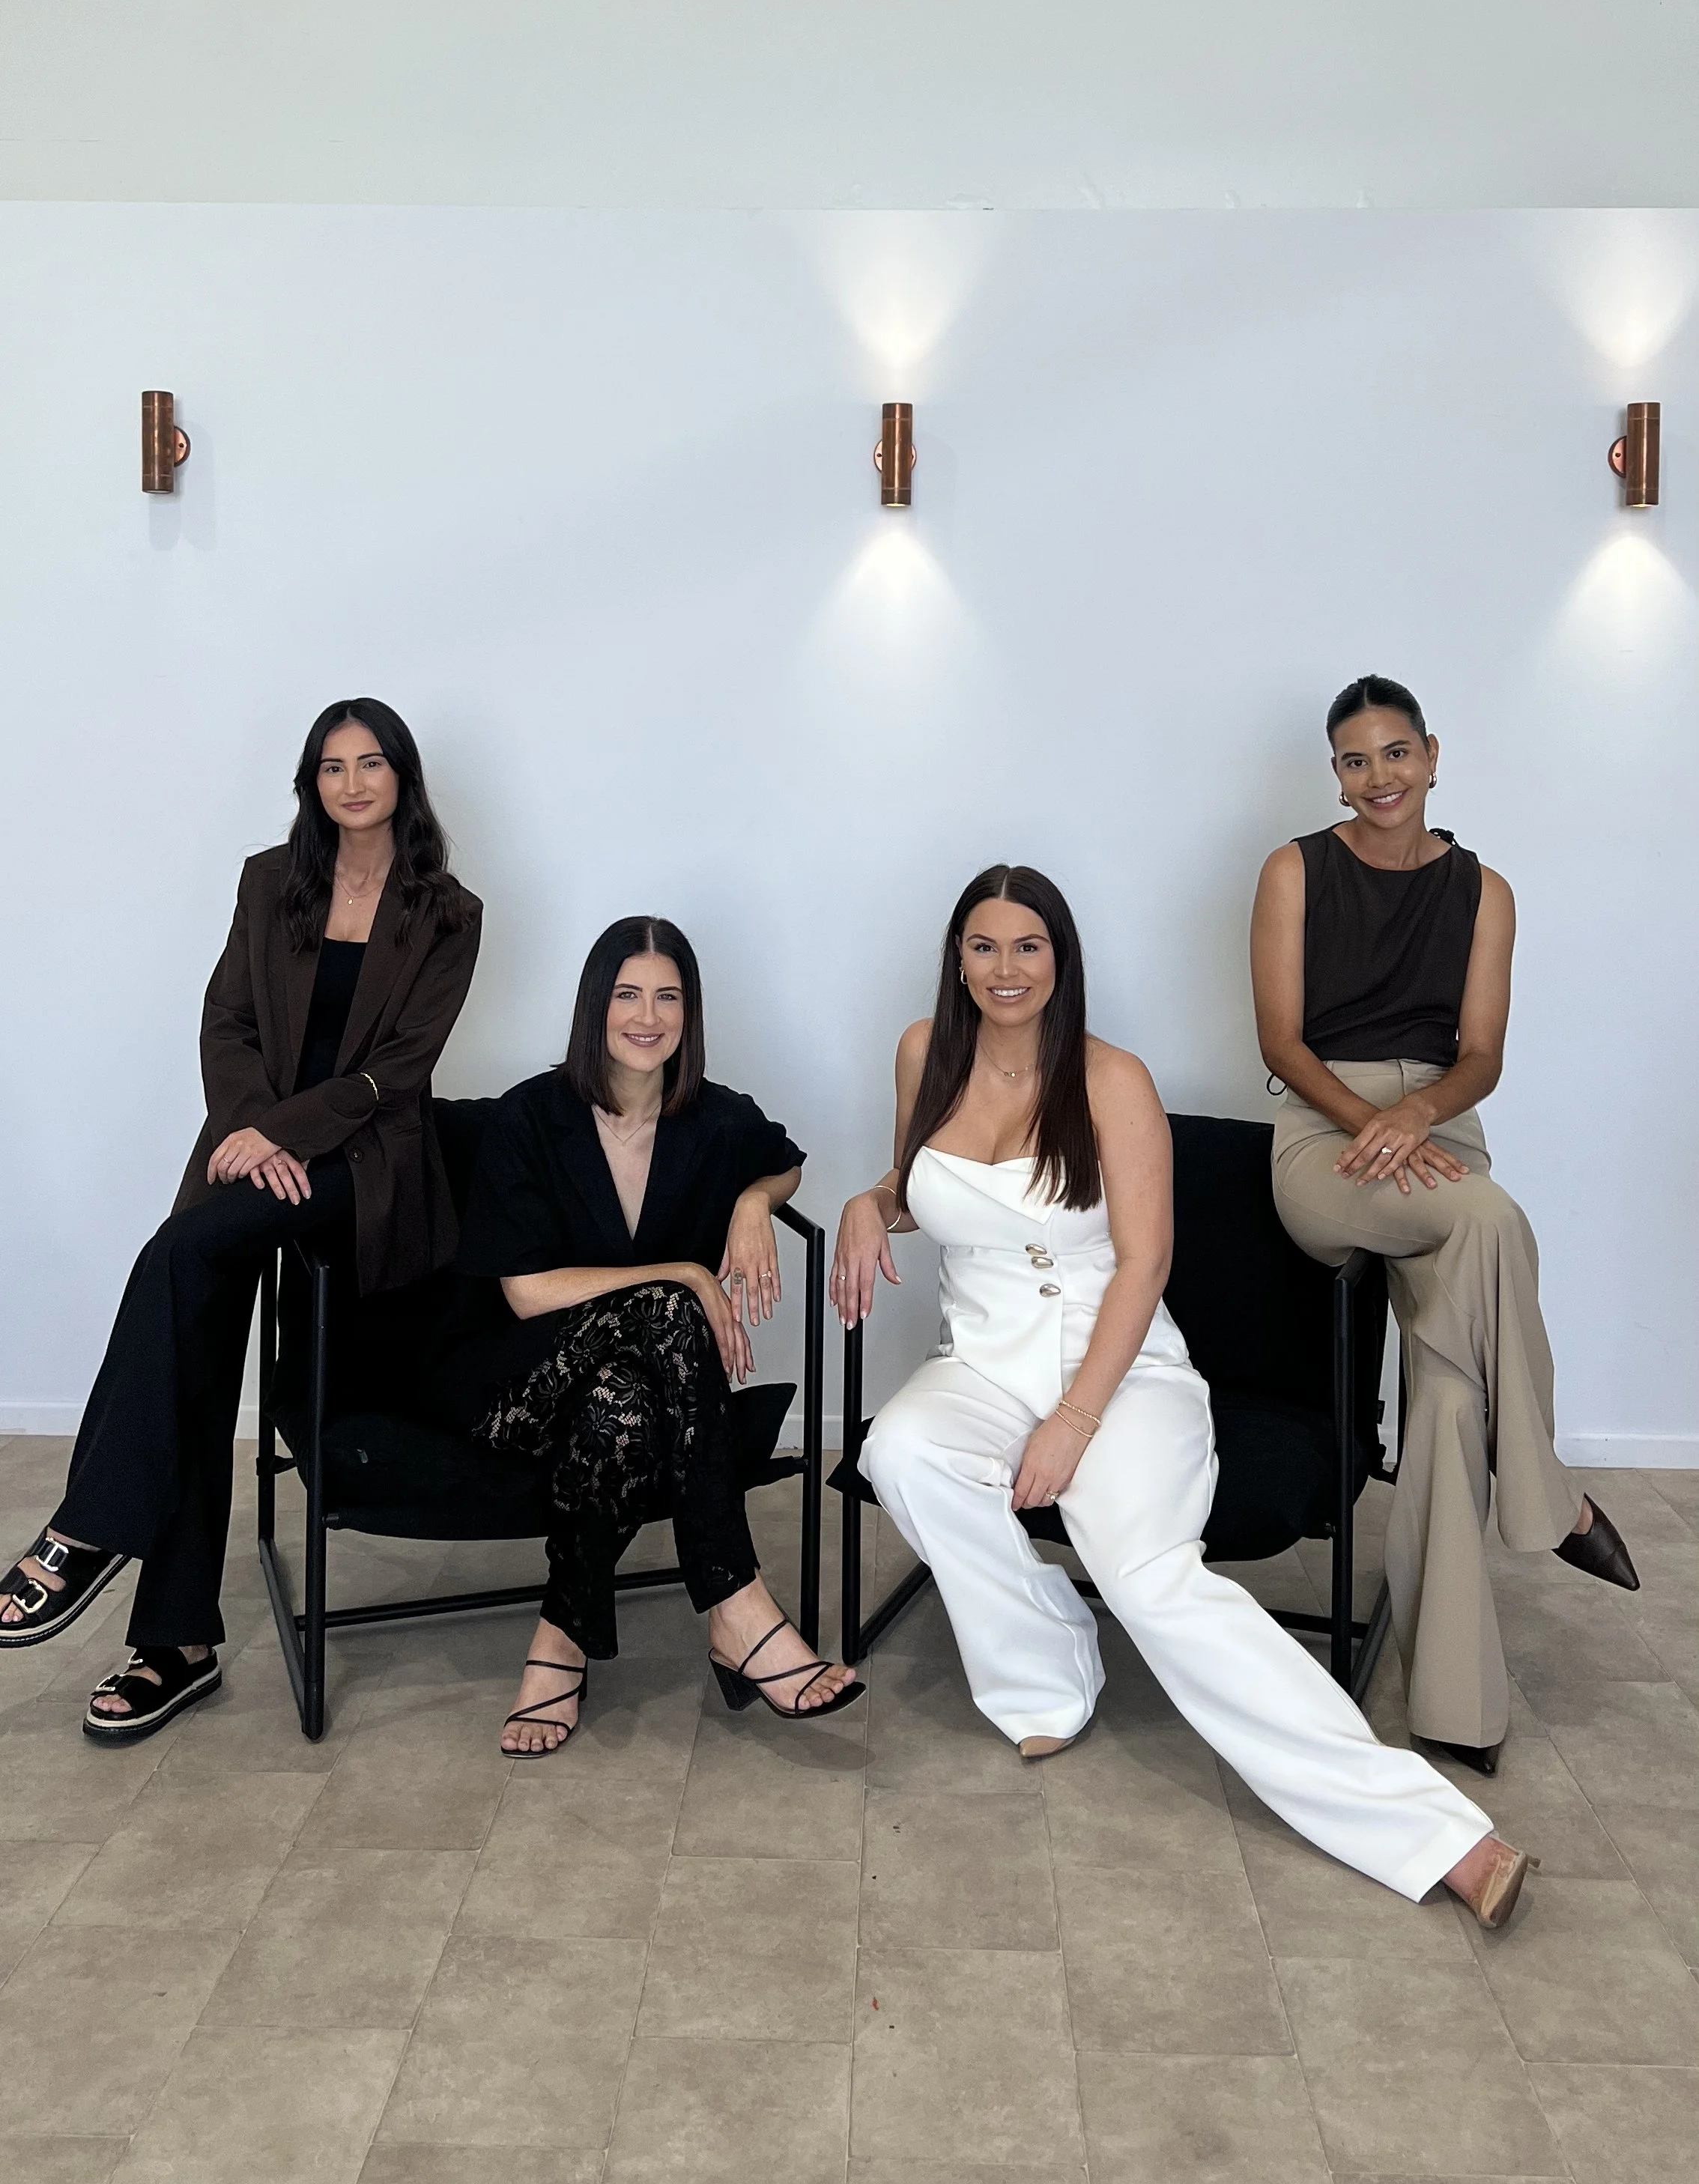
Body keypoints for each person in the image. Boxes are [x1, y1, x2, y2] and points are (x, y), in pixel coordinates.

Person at [835, 864, 1535, 1925]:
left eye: (1029, 946)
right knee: (900, 1450)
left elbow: (1145, 1262)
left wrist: (1075, 1422)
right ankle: (1045, 1670)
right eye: (985, 946)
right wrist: (867, 1201)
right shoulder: (924, 1053)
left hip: (1118, 1368)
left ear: (1061, 960)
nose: (1005, 968)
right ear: (958, 959)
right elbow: (920, 1193)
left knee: (1153, 1580)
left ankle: (1436, 1837)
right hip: (980, 1362)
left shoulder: (1112, 1078)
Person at [0, 698, 482, 1743]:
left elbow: (399, 1073)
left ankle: (89, 1533)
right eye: (330, 766)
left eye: (371, 763)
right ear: (311, 782)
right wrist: (251, 1131)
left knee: (175, 1257)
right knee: (196, 1329)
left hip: (362, 1165)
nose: (352, 783)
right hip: (250, 1146)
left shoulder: (449, 911)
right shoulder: (273, 881)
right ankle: (176, 1646)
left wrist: (288, 1138)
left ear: (403, 775)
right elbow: (228, 1018)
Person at [1250, 673, 1637, 1774]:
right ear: (1337, 772)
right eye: (1355, 760)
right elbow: (1281, 1042)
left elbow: (1482, 1054)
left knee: (1450, 1392)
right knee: (1497, 1220)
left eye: (1396, 754)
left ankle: (1455, 1708)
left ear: (1432, 757)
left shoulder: (1485, 890)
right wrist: (1373, 1121)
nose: (1378, 778)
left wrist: (1418, 1115)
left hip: (1440, 1132)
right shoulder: (1295, 870)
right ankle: (1552, 1499)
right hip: (1326, 1137)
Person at [452, 914, 861, 1755]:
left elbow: (786, 1160)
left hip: (622, 1406)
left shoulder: (714, 1120)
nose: (648, 1016)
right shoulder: (529, 1117)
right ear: (594, 1006)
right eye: (627, 994)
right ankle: (737, 1607)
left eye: (668, 997)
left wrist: (754, 1203)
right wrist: (682, 1273)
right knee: (673, 1308)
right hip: (522, 1386)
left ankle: (559, 1638)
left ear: (690, 1011)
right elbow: (527, 1295)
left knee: (624, 1407)